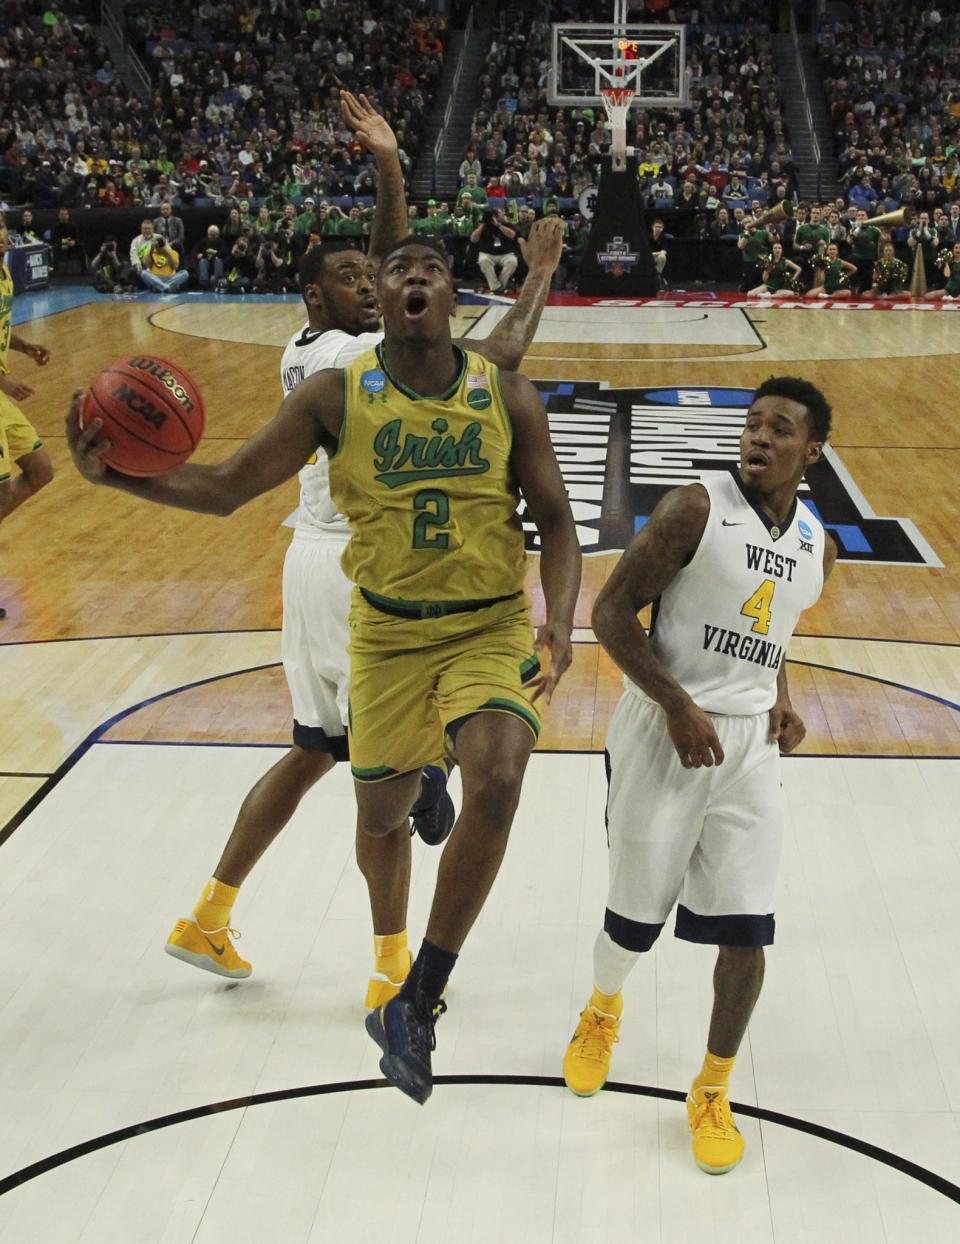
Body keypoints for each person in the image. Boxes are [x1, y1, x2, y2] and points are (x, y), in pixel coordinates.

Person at [68, 232, 581, 1107]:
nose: (415, 277)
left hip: (485, 626)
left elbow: (559, 522)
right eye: (398, 269)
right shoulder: (335, 394)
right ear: (377, 299)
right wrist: (117, 481)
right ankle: (421, 775)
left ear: (455, 298)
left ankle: (417, 995)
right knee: (378, 813)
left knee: (499, 775)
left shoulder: (509, 395)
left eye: (432, 270)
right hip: (381, 636)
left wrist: (560, 621)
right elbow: (227, 485)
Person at [160, 96, 563, 1011]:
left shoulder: (317, 350)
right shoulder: (356, 359)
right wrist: (389, 168)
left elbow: (416, 284)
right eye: (359, 275)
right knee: (386, 754)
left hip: (315, 560)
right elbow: (476, 329)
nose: (380, 279)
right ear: (334, 296)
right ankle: (392, 963)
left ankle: (211, 912)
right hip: (367, 575)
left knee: (314, 752)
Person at [562, 375, 836, 1174]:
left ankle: (712, 1087)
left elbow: (771, 628)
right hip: (661, 731)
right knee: (632, 920)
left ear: (811, 451)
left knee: (749, 929)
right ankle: (602, 1011)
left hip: (748, 748)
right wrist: (679, 705)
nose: (758, 438)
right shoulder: (694, 508)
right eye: (752, 425)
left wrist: (780, 698)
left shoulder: (812, 544)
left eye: (779, 429)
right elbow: (610, 614)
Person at [0, 214, 55, 617]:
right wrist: (5, 383)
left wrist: (25, 346)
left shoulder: (5, 273)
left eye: (3, 226)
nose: (3, 233)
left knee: (40, 471)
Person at [471, 208, 519, 293]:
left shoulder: (507, 224)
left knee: (512, 262)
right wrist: (483, 224)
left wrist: (498, 225)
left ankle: (499, 285)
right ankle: (496, 287)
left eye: (498, 214)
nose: (495, 216)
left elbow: (512, 235)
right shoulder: (483, 226)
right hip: (487, 254)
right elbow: (473, 239)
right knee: (483, 261)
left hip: (505, 254)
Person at [189, 225, 225, 290]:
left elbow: (224, 252)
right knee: (203, 261)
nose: (212, 237)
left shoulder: (221, 242)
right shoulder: (203, 241)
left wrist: (215, 255)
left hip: (216, 262)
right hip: (206, 262)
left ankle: (218, 282)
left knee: (218, 261)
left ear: (218, 234)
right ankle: (203, 283)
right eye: (211, 235)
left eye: (214, 235)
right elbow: (194, 251)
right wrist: (197, 255)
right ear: (208, 234)